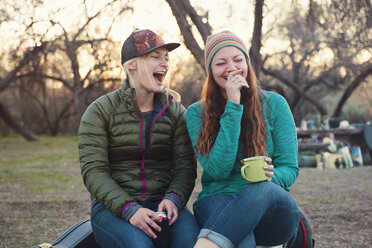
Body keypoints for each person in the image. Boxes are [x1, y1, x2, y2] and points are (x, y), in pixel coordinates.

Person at [78, 29, 199, 248]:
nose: (164, 63)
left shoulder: (176, 112)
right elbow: (93, 172)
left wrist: (173, 198)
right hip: (113, 209)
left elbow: (185, 168)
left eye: (166, 58)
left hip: (164, 206)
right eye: (155, 57)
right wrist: (130, 209)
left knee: (192, 242)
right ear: (132, 65)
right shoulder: (100, 111)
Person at [185, 30, 301, 248]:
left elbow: (290, 168)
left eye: (238, 60)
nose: (232, 68)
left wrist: (270, 176)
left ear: (247, 63)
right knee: (242, 240)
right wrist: (233, 105)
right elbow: (218, 169)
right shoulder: (195, 113)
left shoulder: (275, 104)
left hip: (270, 206)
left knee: (260, 188)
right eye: (220, 63)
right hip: (217, 199)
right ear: (210, 70)